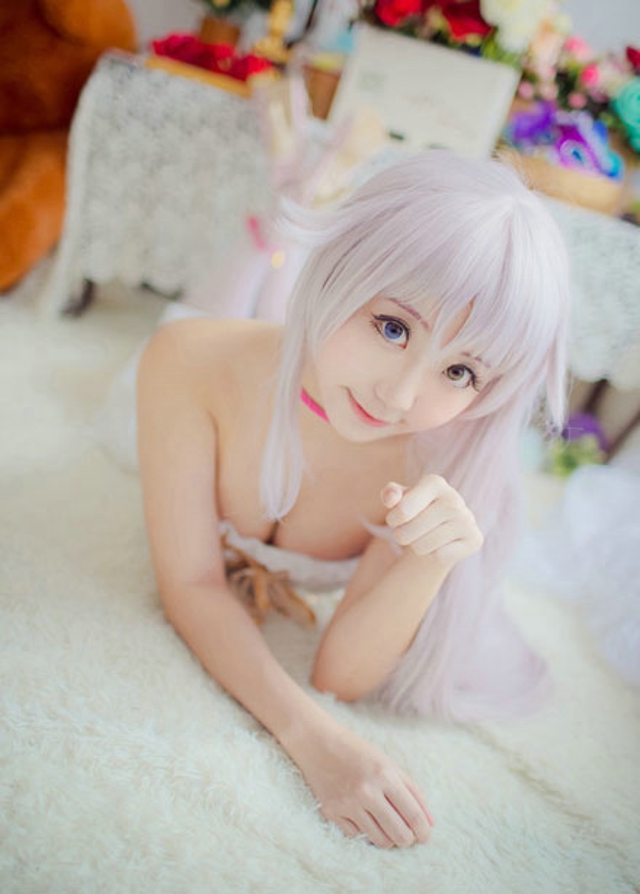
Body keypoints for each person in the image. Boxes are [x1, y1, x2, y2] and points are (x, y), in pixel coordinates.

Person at [131, 150, 570, 850]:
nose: (399, 396)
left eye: (460, 370)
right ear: (341, 269)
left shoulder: (447, 457)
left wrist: (429, 562)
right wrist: (313, 740)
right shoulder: (189, 361)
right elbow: (190, 582)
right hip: (237, 365)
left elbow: (339, 675)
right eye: (393, 327)